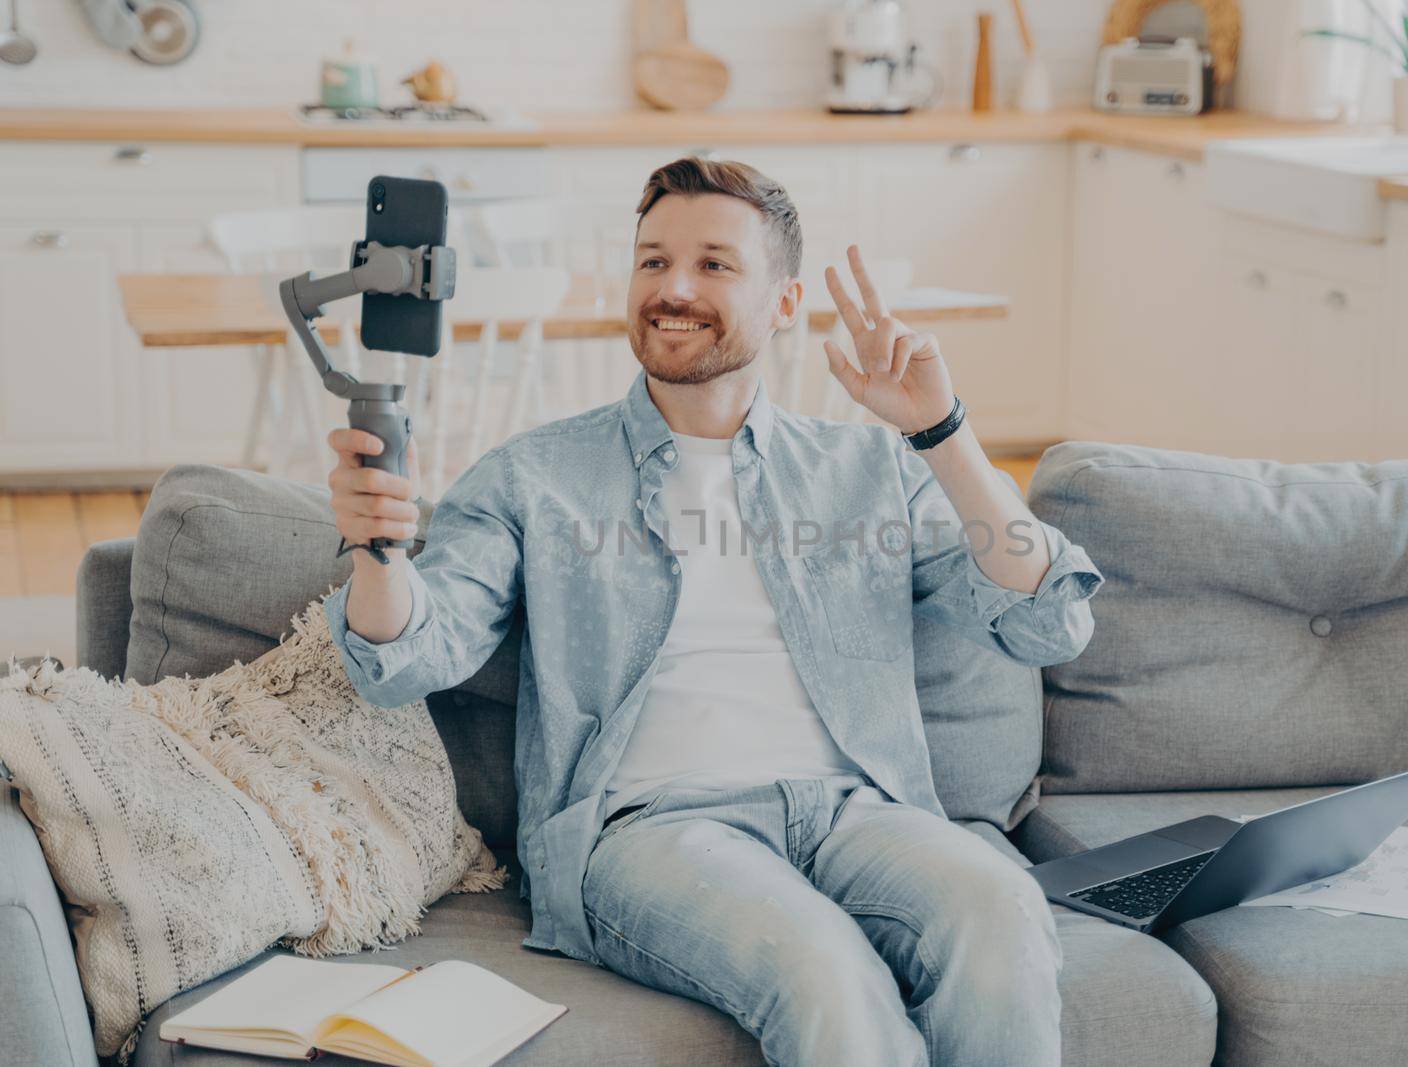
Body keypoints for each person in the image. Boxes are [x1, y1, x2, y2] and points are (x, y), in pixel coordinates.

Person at [322, 157, 1104, 1066]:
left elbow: (1049, 621)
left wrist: (941, 432)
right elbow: (409, 657)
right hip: (651, 829)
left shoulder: (866, 469)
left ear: (784, 302)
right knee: (825, 967)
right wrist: (377, 551)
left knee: (1003, 908)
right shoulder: (533, 474)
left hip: (855, 814)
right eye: (652, 262)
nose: (673, 288)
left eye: (715, 265)